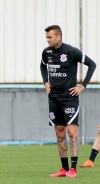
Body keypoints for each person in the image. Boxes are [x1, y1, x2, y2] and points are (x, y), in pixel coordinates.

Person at [40, 25, 96, 178]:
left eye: (50, 37)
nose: (48, 40)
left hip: (69, 98)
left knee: (72, 133)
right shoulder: (47, 52)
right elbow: (43, 66)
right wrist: (46, 82)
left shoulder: (72, 51)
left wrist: (82, 85)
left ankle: (73, 169)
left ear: (59, 37)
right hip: (54, 98)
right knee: (59, 133)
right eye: (47, 37)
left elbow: (92, 64)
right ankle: (64, 169)